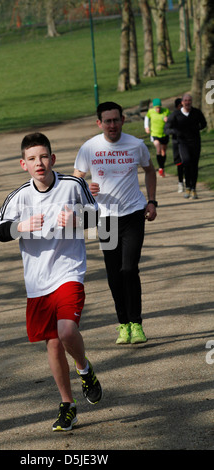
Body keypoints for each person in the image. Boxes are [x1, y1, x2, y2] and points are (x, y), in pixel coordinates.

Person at [0, 132, 102, 432]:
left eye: (43, 156)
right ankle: (68, 406)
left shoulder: (73, 185)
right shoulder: (19, 197)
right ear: (23, 164)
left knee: (67, 330)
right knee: (53, 345)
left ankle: (84, 369)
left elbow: (98, 219)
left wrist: (79, 221)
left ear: (52, 159)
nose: (38, 163)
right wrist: (20, 226)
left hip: (69, 271)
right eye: (32, 159)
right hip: (37, 282)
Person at [73, 102, 157, 345]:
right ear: (99, 123)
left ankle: (136, 323)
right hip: (105, 218)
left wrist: (152, 201)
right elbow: (76, 179)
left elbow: (149, 170)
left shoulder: (136, 145)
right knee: (113, 274)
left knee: (129, 269)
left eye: (115, 120)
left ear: (122, 120)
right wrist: (86, 187)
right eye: (107, 121)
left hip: (133, 214)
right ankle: (123, 324)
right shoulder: (90, 147)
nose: (112, 125)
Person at [165, 93, 207, 200]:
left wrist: (196, 128)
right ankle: (187, 186)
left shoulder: (196, 113)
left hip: (195, 142)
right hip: (182, 143)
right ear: (182, 102)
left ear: (191, 102)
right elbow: (167, 129)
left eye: (189, 100)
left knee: (194, 165)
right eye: (185, 101)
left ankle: (193, 189)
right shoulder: (176, 114)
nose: (187, 102)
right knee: (186, 162)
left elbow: (204, 124)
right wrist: (176, 131)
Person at [144, 98, 170, 177]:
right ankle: (160, 169)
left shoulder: (166, 111)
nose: (158, 109)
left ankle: (162, 167)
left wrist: (167, 120)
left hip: (164, 134)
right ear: (154, 107)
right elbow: (146, 118)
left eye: (159, 107)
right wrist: (146, 127)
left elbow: (172, 119)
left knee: (163, 151)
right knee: (158, 149)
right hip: (154, 133)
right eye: (156, 107)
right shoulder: (150, 112)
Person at [171, 98, 185, 193]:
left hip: (187, 143)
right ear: (177, 107)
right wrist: (176, 131)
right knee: (179, 164)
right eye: (180, 106)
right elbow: (167, 129)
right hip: (176, 142)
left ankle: (188, 182)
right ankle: (180, 183)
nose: (182, 108)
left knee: (187, 162)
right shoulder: (173, 116)